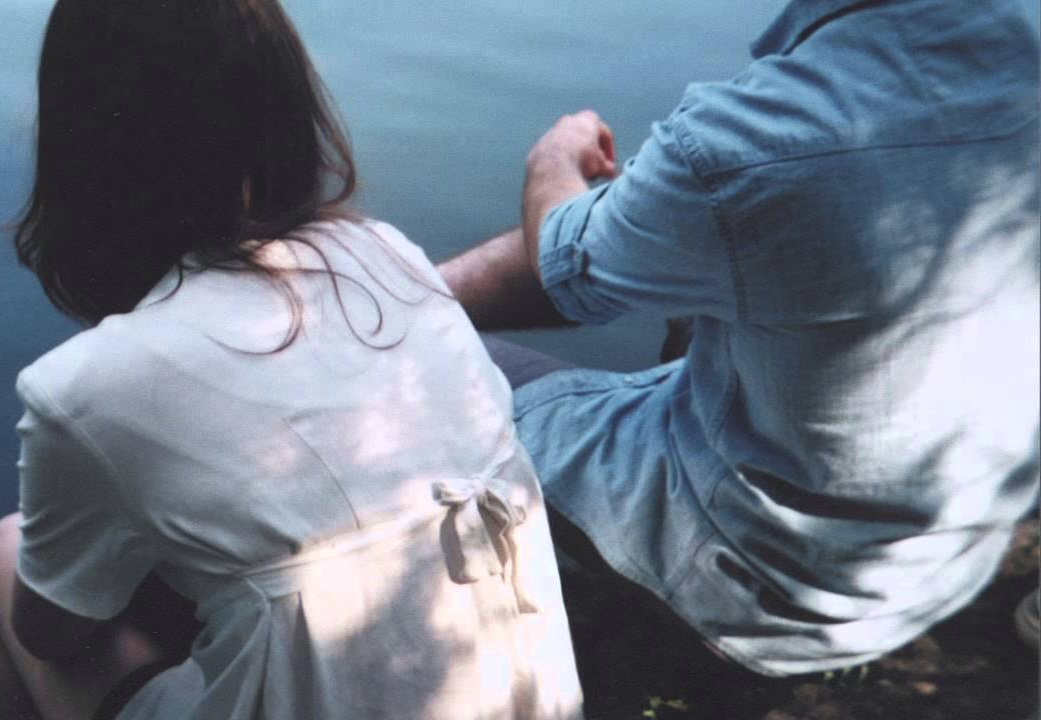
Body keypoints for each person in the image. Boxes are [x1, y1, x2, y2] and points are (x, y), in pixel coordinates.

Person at [0, 1, 584, 718]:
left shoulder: (82, 390)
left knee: (8, 553)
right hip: (529, 701)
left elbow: (51, 633)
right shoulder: (388, 255)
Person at [440, 0, 1040, 713]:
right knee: (706, 261)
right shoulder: (1020, 48)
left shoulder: (754, 136)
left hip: (768, 593)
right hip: (949, 560)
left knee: (431, 371)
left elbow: (565, 266)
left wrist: (553, 161)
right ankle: (409, 295)